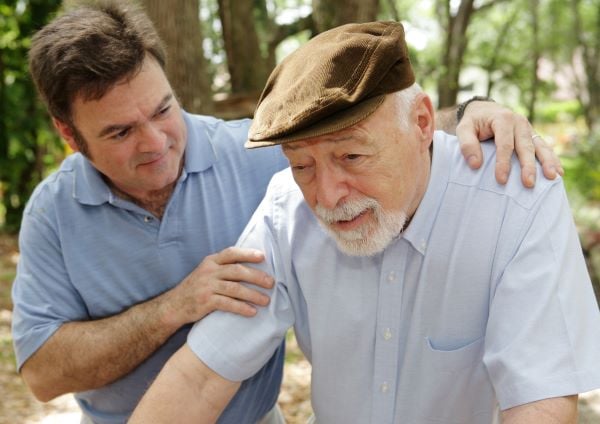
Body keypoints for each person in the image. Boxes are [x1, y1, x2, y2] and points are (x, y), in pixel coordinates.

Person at [11, 2, 559, 423]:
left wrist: (475, 112)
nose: (155, 141)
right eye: (121, 132)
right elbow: (42, 375)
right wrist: (174, 307)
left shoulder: (257, 159)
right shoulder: (52, 216)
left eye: (163, 110)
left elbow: (370, 135)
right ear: (70, 134)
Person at [130, 21, 600, 424]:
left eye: (352, 155)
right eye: (302, 165)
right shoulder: (284, 210)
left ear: (420, 123)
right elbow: (201, 375)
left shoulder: (515, 199)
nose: (327, 196)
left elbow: (541, 398)